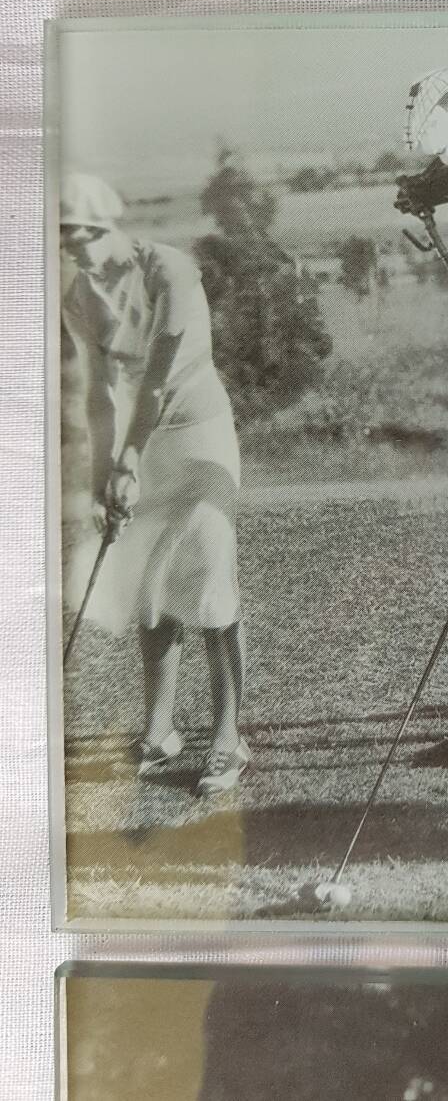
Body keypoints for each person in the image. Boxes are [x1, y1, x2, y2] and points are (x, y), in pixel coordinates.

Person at [60, 172, 249, 795]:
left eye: (81, 233)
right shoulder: (80, 295)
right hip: (144, 447)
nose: (74, 247)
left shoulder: (169, 271)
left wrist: (127, 460)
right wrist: (98, 483)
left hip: (198, 434)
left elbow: (161, 377)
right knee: (151, 589)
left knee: (209, 578)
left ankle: (227, 738)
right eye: (64, 237)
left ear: (109, 223)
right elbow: (97, 393)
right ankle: (160, 729)